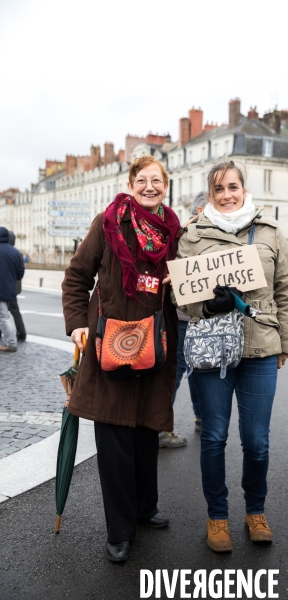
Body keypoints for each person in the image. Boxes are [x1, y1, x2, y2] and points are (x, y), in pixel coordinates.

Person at [173, 160, 288, 552]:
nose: (226, 195)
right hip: (213, 350)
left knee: (256, 441)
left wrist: (286, 344)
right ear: (209, 195)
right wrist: (209, 307)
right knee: (213, 437)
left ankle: (256, 511)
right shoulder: (192, 235)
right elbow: (181, 297)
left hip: (261, 348)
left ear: (244, 189)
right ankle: (217, 518)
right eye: (218, 190)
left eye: (232, 187)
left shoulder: (271, 231)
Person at [62, 155, 180, 563]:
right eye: (142, 180)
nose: (150, 186)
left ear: (166, 185)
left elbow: (189, 288)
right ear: (130, 183)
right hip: (108, 342)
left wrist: (177, 279)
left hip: (156, 341)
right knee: (114, 438)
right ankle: (120, 529)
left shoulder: (175, 231)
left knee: (147, 431)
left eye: (157, 181)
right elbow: (77, 276)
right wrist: (77, 323)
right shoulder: (108, 222)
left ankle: (145, 509)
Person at [172, 192, 209, 436]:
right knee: (180, 369)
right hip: (184, 316)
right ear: (200, 212)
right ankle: (162, 425)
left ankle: (201, 417)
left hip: (197, 316)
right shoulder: (185, 234)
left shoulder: (182, 232)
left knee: (196, 368)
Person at [0, 227, 24, 352]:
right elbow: (20, 273)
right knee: (4, 315)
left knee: (3, 317)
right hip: (9, 289)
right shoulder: (15, 252)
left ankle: (11, 343)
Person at [7, 231, 26, 341]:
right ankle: (21, 333)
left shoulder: (6, 252)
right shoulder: (18, 253)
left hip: (8, 287)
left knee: (3, 312)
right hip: (15, 287)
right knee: (15, 311)